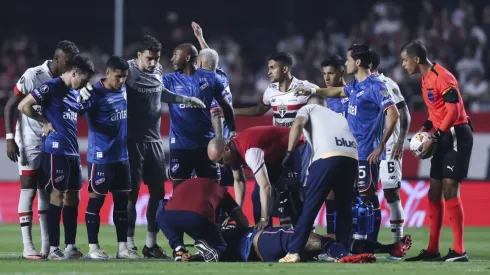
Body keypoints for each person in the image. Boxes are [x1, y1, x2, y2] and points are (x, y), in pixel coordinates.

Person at [295, 44, 400, 242]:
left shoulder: (375, 85)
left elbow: (393, 114)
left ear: (357, 62)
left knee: (367, 200)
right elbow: (337, 92)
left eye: (348, 59)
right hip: (352, 153)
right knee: (347, 199)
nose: (346, 63)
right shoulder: (355, 86)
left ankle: (370, 244)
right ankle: (350, 242)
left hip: (367, 152)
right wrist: (313, 89)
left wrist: (380, 146)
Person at [124, 35, 204, 258]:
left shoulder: (158, 69)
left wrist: (184, 99)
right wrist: (90, 90)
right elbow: (110, 85)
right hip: (133, 141)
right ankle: (129, 244)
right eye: (149, 58)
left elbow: (162, 94)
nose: (153, 63)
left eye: (156, 59)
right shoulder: (128, 71)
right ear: (139, 55)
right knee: (132, 193)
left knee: (158, 192)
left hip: (155, 141)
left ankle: (150, 245)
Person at [4, 40, 79, 259]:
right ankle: (28, 246)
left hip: (50, 143)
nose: (70, 66)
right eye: (67, 61)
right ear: (57, 59)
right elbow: (11, 106)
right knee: (27, 189)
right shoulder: (33, 75)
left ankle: (47, 247)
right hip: (28, 139)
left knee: (47, 191)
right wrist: (10, 138)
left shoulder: (66, 81)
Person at [18, 55, 96, 260]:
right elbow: (24, 105)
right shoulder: (52, 87)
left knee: (74, 197)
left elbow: (76, 114)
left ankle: (70, 245)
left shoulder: (75, 93)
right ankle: (53, 248)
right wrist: (43, 121)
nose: (85, 84)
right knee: (56, 196)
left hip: (72, 151)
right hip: (55, 150)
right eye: (84, 79)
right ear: (73, 73)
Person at [401, 40, 472, 262]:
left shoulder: (443, 77)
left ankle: (460, 251)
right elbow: (437, 113)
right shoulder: (425, 80)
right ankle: (432, 250)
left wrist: (435, 138)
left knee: (451, 188)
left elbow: (453, 112)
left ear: (417, 59)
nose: (403, 65)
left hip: (457, 134)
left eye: (405, 60)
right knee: (434, 191)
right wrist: (424, 131)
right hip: (441, 136)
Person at [278, 94, 358, 263]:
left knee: (310, 207)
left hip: (327, 157)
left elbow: (298, 124)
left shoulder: (308, 108)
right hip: (352, 157)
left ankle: (293, 252)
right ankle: (343, 251)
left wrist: (289, 152)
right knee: (344, 208)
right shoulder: (337, 116)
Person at [82, 56, 139, 259]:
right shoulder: (94, 93)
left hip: (121, 157)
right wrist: (79, 95)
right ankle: (93, 248)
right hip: (101, 157)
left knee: (122, 203)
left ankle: (122, 249)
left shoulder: (123, 89)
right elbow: (77, 109)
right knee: (96, 201)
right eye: (118, 76)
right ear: (107, 73)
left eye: (124, 77)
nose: (121, 81)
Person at [233, 52, 317, 185]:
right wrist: (233, 111)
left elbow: (322, 101)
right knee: (264, 188)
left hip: (298, 145)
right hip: (277, 145)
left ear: (285, 69)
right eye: (268, 68)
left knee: (298, 187)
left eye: (272, 68)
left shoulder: (305, 87)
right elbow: (258, 110)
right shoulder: (270, 90)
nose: (268, 72)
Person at [164, 43, 235, 188]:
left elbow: (226, 106)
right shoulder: (169, 80)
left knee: (212, 190)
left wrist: (232, 131)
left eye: (175, 55)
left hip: (206, 146)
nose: (172, 59)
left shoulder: (211, 78)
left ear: (187, 57)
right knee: (179, 193)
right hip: (180, 146)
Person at [208, 126, 305, 229]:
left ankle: (300, 232)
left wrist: (264, 219)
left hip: (292, 146)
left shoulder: (250, 152)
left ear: (227, 149)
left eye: (221, 161)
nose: (222, 165)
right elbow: (239, 181)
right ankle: (264, 235)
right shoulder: (232, 151)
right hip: (272, 157)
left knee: (288, 195)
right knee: (257, 198)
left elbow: (265, 186)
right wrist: (237, 212)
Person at [181, 226, 410, 264]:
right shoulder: (221, 234)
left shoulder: (217, 244)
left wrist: (193, 257)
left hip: (261, 250)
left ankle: (388, 248)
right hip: (263, 240)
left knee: (327, 238)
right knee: (321, 241)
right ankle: (342, 257)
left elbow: (214, 255)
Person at [191, 21, 241, 190]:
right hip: (227, 143)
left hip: (216, 145)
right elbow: (211, 58)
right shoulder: (221, 75)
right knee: (224, 188)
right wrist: (200, 38)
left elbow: (217, 113)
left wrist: (218, 140)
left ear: (199, 64)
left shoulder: (207, 84)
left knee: (211, 187)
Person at [370, 51, 411, 246]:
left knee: (391, 193)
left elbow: (404, 113)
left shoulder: (388, 84)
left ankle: (397, 243)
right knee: (366, 193)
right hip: (369, 147)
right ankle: (367, 240)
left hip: (389, 148)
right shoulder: (362, 86)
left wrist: (400, 140)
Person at [156, 177, 248, 262]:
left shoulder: (187, 183)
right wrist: (234, 220)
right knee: (220, 246)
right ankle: (208, 250)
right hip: (197, 217)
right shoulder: (221, 190)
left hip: (167, 217)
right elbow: (244, 222)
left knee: (164, 218)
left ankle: (180, 251)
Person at [320, 55, 350, 236]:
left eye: (331, 73)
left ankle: (354, 237)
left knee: (353, 197)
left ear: (341, 72)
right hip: (332, 151)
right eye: (324, 73)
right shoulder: (325, 99)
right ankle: (332, 239)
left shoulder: (352, 92)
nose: (327, 77)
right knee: (329, 196)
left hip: (354, 152)